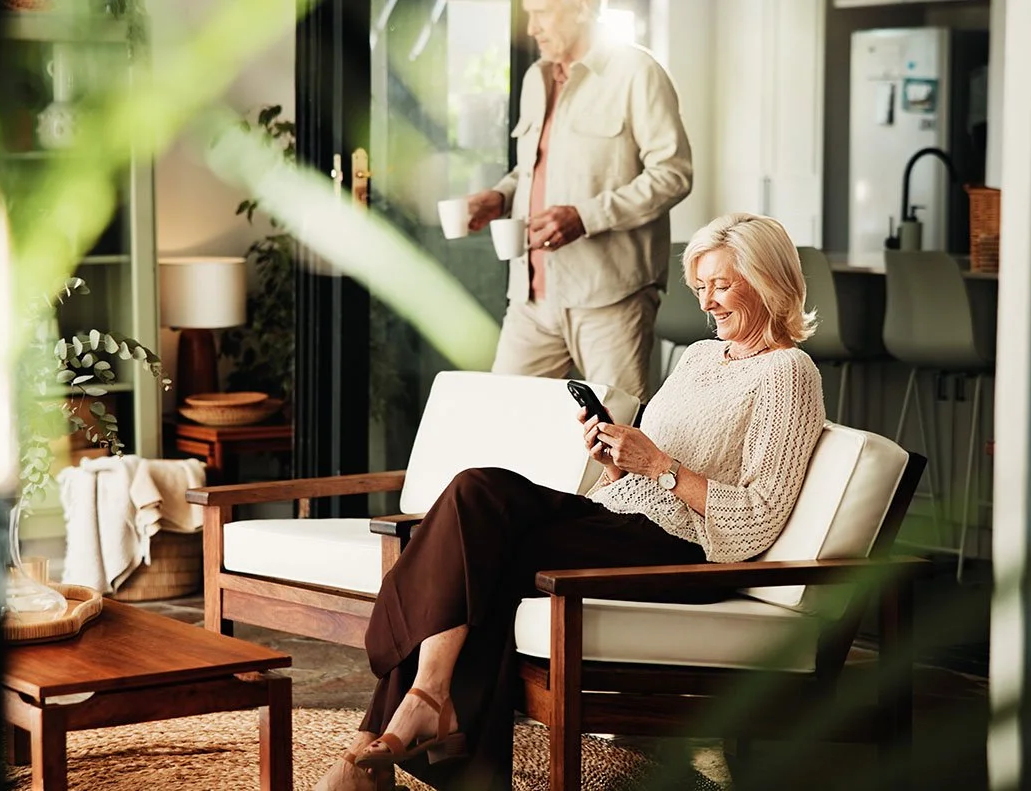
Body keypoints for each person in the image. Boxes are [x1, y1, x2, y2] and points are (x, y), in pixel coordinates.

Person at [313, 213, 826, 791]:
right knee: (474, 508)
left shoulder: (789, 373)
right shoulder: (701, 357)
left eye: (722, 285)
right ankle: (421, 711)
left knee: (479, 509)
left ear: (767, 280)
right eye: (700, 286)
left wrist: (658, 466)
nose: (707, 302)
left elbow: (757, 520)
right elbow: (645, 474)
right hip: (620, 518)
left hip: (681, 551)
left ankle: (396, 727)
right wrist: (616, 461)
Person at [467, 0, 693, 402]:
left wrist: (585, 217)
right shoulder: (535, 78)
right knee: (500, 418)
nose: (532, 28)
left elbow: (673, 175)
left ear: (583, 7)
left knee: (616, 427)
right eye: (528, 15)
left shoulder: (637, 71)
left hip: (610, 298)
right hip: (531, 298)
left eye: (542, 12)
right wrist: (500, 197)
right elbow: (533, 169)